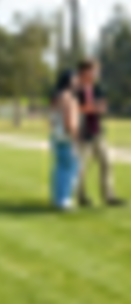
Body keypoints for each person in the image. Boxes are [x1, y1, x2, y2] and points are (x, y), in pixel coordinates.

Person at [74, 59, 125, 207]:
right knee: (81, 167)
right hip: (82, 132)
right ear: (84, 71)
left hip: (97, 131)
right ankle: (81, 197)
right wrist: (90, 108)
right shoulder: (75, 88)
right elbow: (72, 108)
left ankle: (109, 196)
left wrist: (101, 108)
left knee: (107, 163)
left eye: (98, 70)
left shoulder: (97, 88)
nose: (97, 73)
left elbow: (102, 106)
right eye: (94, 70)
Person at [50, 70, 81, 211]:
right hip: (66, 137)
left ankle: (57, 198)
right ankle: (64, 199)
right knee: (70, 169)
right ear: (69, 81)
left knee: (59, 168)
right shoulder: (69, 98)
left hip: (56, 136)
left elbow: (51, 121)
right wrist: (75, 138)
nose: (77, 81)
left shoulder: (56, 97)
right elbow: (70, 122)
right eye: (75, 79)